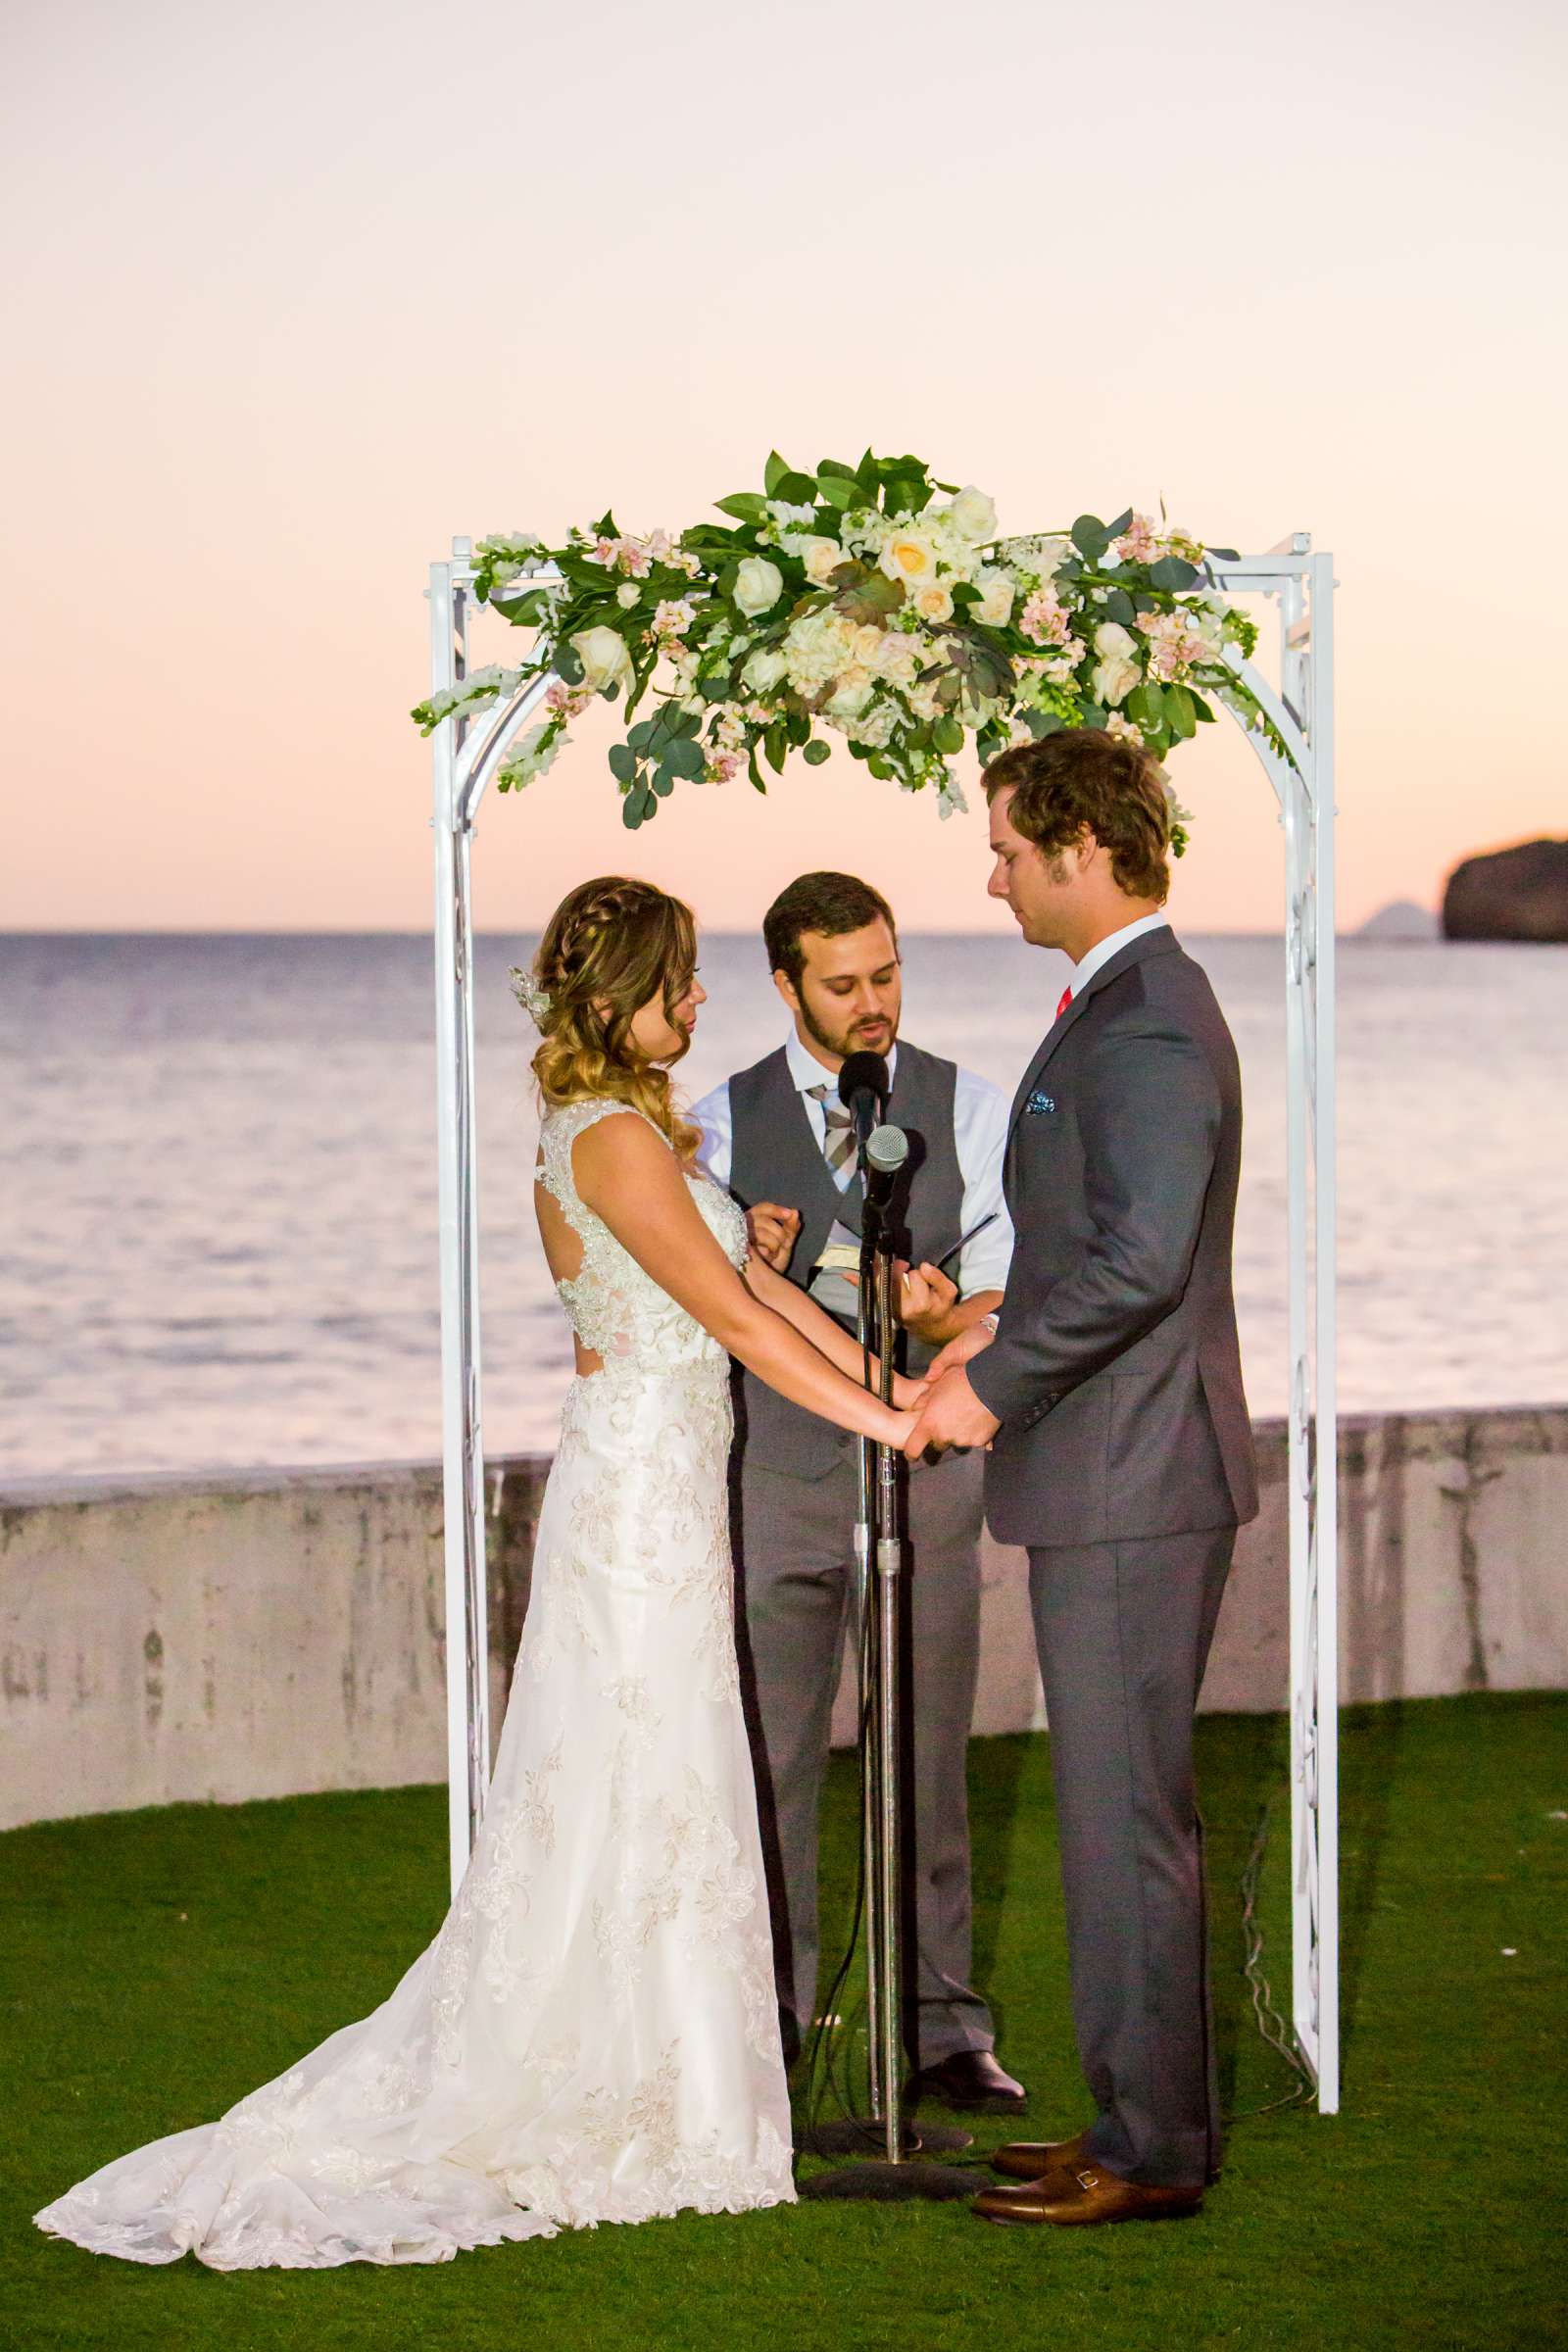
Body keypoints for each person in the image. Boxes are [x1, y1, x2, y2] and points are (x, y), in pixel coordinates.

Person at [35, 876, 924, 2272]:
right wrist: (894, 1420)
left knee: (666, 1784)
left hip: (666, 1488)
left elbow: (754, 1295)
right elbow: (737, 1321)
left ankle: (678, 2077)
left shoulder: (640, 1131)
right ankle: (642, 2089)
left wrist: (893, 1387)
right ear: (618, 996)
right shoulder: (615, 1138)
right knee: (644, 1775)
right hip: (638, 1503)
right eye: (679, 981)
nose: (698, 1002)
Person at [907, 733, 1259, 2226]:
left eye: (1004, 849)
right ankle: (1129, 2117)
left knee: (1126, 1822)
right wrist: (991, 1314)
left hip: (1131, 1477)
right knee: (1113, 1813)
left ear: (1079, 847)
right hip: (1111, 1467)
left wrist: (988, 1384)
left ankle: (1151, 2153)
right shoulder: (1121, 1008)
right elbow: (1098, 1245)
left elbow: (1142, 1258)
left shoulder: (1153, 1020)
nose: (990, 878)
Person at [695, 871, 1026, 2114]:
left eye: (886, 975)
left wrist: (958, 1315)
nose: (873, 1002)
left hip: (928, 1471)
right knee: (769, 1755)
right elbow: (693, 1304)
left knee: (928, 1753)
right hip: (769, 1476)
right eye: (843, 984)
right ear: (787, 986)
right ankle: (768, 2016)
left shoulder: (972, 1107)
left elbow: (1012, 1277)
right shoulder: (711, 1125)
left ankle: (943, 2026)